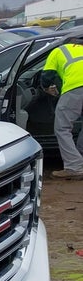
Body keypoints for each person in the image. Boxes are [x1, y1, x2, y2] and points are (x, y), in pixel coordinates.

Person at [42, 35, 83, 179]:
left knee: (62, 128)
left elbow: (47, 75)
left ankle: (74, 167)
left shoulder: (58, 51)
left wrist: (47, 88)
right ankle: (79, 157)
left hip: (76, 87)